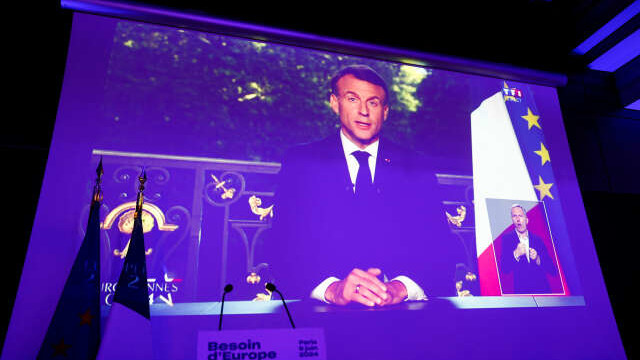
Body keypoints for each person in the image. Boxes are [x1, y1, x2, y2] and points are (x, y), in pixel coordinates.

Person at [264, 65, 457, 307]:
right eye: (352, 99)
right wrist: (333, 290)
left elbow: (441, 247)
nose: (363, 111)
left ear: (385, 111)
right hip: (321, 312)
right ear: (335, 103)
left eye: (373, 103)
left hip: (401, 313)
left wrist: (401, 288)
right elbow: (282, 246)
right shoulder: (301, 162)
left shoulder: (416, 166)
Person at [499, 204, 556, 294]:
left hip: (542, 290)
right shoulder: (506, 239)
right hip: (522, 293)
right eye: (514, 216)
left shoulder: (538, 239)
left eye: (520, 216)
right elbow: (504, 270)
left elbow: (553, 270)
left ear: (526, 220)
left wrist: (537, 258)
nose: (518, 219)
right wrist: (516, 254)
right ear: (512, 220)